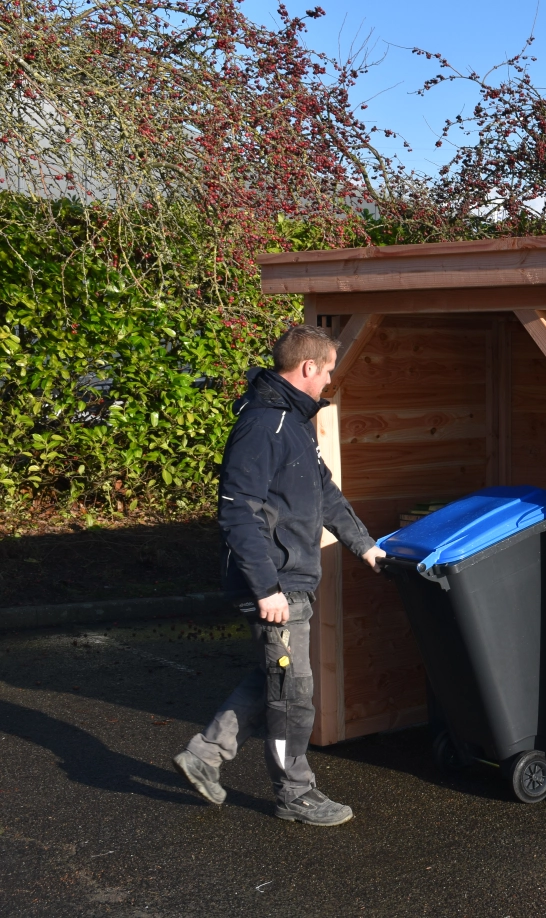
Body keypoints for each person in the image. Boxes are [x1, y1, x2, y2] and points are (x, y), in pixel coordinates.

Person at [173, 325, 386, 826]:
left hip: (290, 581)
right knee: (292, 695)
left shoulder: (294, 422)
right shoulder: (263, 424)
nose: (329, 379)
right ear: (308, 367)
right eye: (327, 370)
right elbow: (236, 511)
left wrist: (366, 547)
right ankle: (294, 793)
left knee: (278, 676)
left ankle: (205, 755)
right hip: (275, 585)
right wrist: (266, 588)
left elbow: (325, 493)